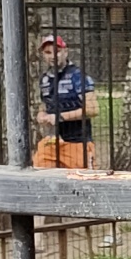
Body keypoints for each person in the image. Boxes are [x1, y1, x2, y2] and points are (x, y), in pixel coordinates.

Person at [36, 32, 96, 165]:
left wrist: (60, 117)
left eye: (57, 51)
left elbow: (92, 110)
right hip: (51, 141)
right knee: (39, 175)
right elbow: (45, 104)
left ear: (65, 52)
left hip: (77, 142)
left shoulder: (77, 76)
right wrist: (42, 114)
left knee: (80, 180)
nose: (52, 56)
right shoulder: (45, 79)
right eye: (47, 52)